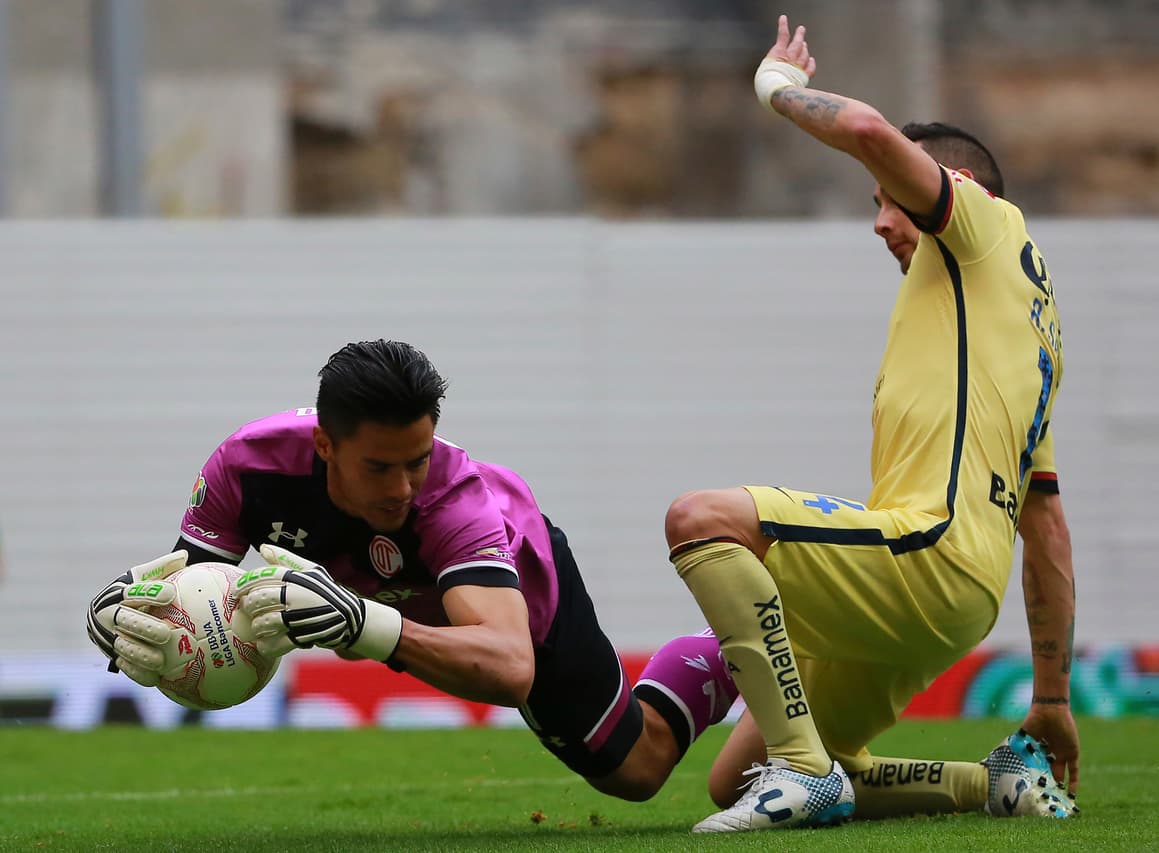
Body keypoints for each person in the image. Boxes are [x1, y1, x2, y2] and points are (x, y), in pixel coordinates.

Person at [662, 15, 1080, 832]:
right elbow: (1049, 529)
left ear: (956, 185)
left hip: (925, 553)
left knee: (700, 519)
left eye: (893, 199)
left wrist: (775, 87)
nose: (881, 221)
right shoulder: (1030, 338)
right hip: (959, 595)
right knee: (734, 775)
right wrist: (1053, 699)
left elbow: (862, 129)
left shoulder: (985, 225)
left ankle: (806, 772)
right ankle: (990, 782)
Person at [86, 339, 740, 802]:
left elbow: (511, 666)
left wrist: (363, 624)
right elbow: (189, 597)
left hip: (512, 597)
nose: (402, 488)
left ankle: (725, 654)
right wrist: (124, 622)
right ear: (324, 444)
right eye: (379, 467)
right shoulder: (244, 469)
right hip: (387, 608)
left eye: (417, 460)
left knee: (635, 772)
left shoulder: (456, 496)